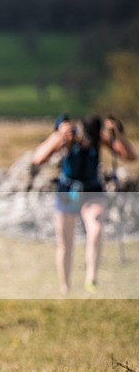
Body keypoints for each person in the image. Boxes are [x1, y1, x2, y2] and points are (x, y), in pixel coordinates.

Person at [32, 114, 136, 295]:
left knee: (96, 229)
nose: (88, 142)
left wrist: (116, 135)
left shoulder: (98, 137)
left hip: (92, 189)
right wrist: (57, 135)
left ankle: (91, 279)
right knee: (65, 243)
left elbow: (130, 156)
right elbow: (38, 158)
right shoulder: (68, 138)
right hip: (68, 190)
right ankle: (65, 287)